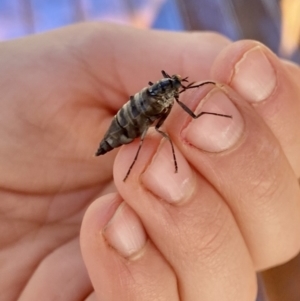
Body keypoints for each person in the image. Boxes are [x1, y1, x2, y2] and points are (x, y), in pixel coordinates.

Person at [1, 22, 300, 301]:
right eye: (176, 83)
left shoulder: (165, 91)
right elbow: (166, 120)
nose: (181, 85)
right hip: (127, 124)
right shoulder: (167, 95)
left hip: (126, 120)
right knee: (156, 137)